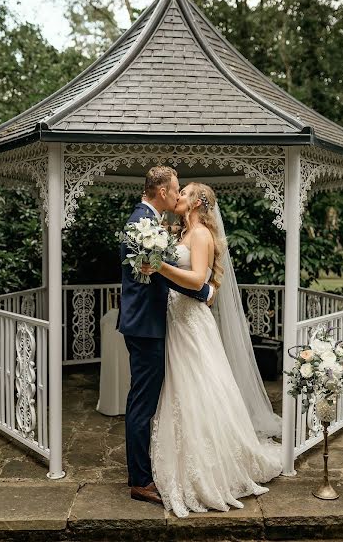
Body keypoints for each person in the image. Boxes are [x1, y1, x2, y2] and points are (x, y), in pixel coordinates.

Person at [141, 182, 282, 518]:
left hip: (191, 321)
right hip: (175, 320)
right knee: (180, 389)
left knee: (199, 385)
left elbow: (198, 280)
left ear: (196, 203)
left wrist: (159, 265)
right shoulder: (177, 232)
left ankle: (215, 466)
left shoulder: (201, 234)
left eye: (184, 193)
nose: (178, 196)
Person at [118, 167, 213, 506]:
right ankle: (140, 480)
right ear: (161, 191)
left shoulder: (152, 223)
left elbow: (159, 271)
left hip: (154, 324)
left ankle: (143, 471)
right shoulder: (140, 224)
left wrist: (199, 287)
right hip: (145, 327)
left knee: (147, 401)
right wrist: (202, 293)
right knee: (142, 403)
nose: (177, 197)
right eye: (175, 191)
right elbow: (156, 275)